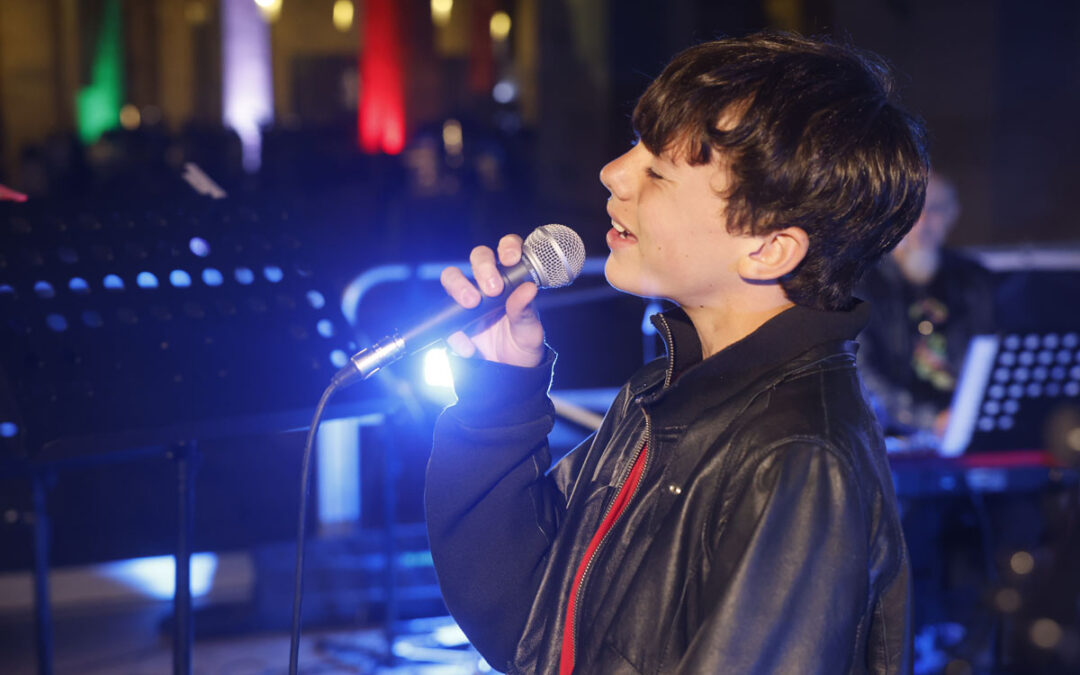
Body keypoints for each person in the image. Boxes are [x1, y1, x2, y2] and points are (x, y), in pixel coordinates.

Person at [426, 32, 927, 674]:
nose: (614, 173)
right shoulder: (666, 391)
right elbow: (531, 623)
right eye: (636, 147)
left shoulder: (796, 456)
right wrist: (500, 398)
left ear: (769, 248)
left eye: (658, 171)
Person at [856, 171, 996, 440]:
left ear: (953, 213)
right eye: (911, 210)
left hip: (966, 427)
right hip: (892, 434)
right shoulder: (864, 281)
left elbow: (989, 350)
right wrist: (928, 419)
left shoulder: (974, 280)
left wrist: (967, 414)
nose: (922, 223)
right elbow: (863, 370)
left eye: (935, 210)